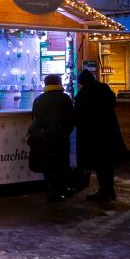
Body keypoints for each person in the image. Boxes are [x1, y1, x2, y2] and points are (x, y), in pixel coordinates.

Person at [74, 67, 127, 203]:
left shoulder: (84, 93)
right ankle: (109, 190)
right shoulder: (104, 88)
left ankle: (104, 192)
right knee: (108, 165)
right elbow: (112, 102)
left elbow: (78, 114)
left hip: (94, 135)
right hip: (110, 132)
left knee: (100, 165)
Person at [28, 73, 75, 203]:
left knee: (47, 164)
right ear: (59, 83)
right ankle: (59, 190)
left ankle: (51, 189)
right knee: (61, 163)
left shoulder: (39, 99)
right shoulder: (65, 98)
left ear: (46, 84)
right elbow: (70, 118)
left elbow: (34, 116)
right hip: (60, 136)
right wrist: (65, 131)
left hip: (43, 137)